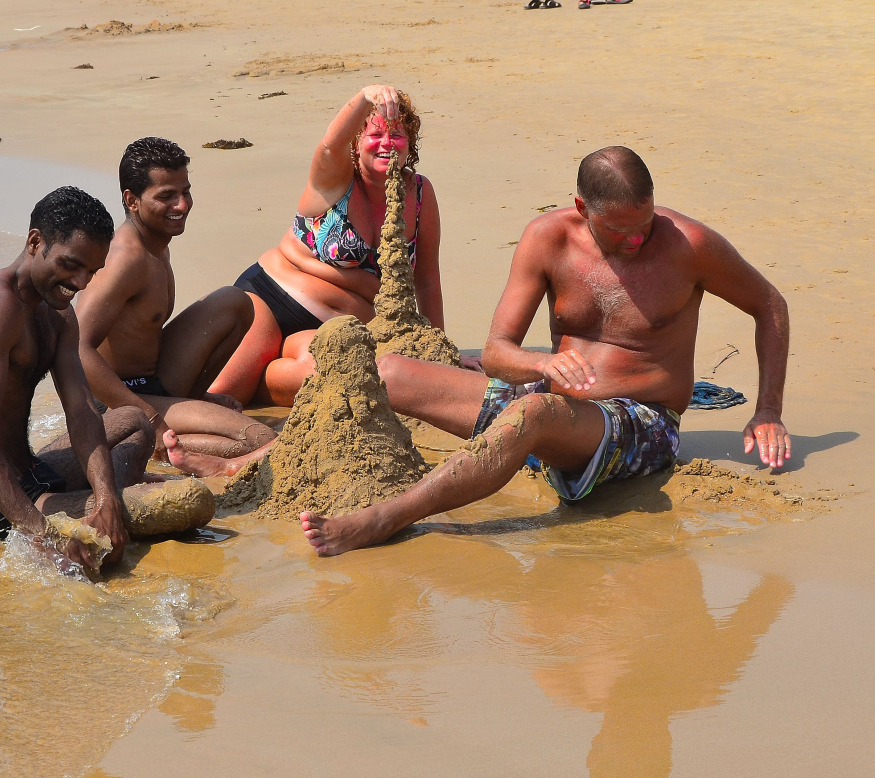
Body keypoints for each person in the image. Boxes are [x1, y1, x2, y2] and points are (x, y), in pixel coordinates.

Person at [300, 146, 792, 555]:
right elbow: (496, 351)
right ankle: (266, 460)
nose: (638, 238)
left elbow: (769, 304)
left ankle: (388, 517)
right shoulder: (548, 239)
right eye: (620, 230)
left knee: (533, 412)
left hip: (640, 422)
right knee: (386, 372)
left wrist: (768, 409)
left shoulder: (690, 245)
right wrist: (541, 361)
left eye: (644, 222)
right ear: (582, 208)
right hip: (551, 409)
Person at [0, 186, 160, 572]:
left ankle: (108, 499)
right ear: (35, 242)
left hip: (34, 471)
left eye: (92, 271)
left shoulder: (57, 314)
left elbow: (81, 412)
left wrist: (106, 496)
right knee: (182, 505)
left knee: (136, 421)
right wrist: (45, 536)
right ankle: (102, 503)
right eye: (71, 265)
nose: (81, 283)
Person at [210, 84, 469, 408]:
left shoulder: (418, 193)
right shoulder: (335, 180)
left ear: (410, 144)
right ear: (357, 143)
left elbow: (427, 281)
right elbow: (330, 146)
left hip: (333, 326)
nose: (386, 144)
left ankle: (262, 380)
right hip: (271, 297)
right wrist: (364, 99)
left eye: (397, 135)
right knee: (224, 396)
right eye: (375, 135)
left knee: (333, 376)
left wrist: (435, 352)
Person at [74, 137, 277, 477]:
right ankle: (163, 445)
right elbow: (74, 346)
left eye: (185, 191)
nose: (181, 205)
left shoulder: (156, 243)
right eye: (166, 196)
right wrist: (147, 417)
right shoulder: (125, 258)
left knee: (234, 302)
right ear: (132, 200)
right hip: (117, 400)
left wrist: (198, 400)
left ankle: (183, 418)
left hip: (153, 380)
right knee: (258, 439)